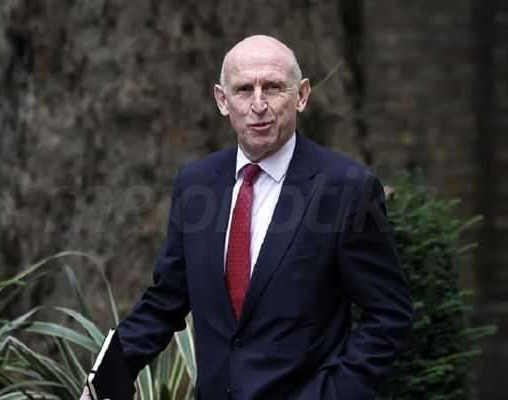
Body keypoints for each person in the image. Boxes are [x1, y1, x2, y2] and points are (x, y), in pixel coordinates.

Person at [81, 34, 413, 400]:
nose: (258, 105)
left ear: (302, 95)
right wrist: (103, 381)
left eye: (273, 87)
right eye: (243, 90)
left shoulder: (348, 188)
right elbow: (165, 302)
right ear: (222, 100)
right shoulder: (195, 184)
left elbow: (389, 316)